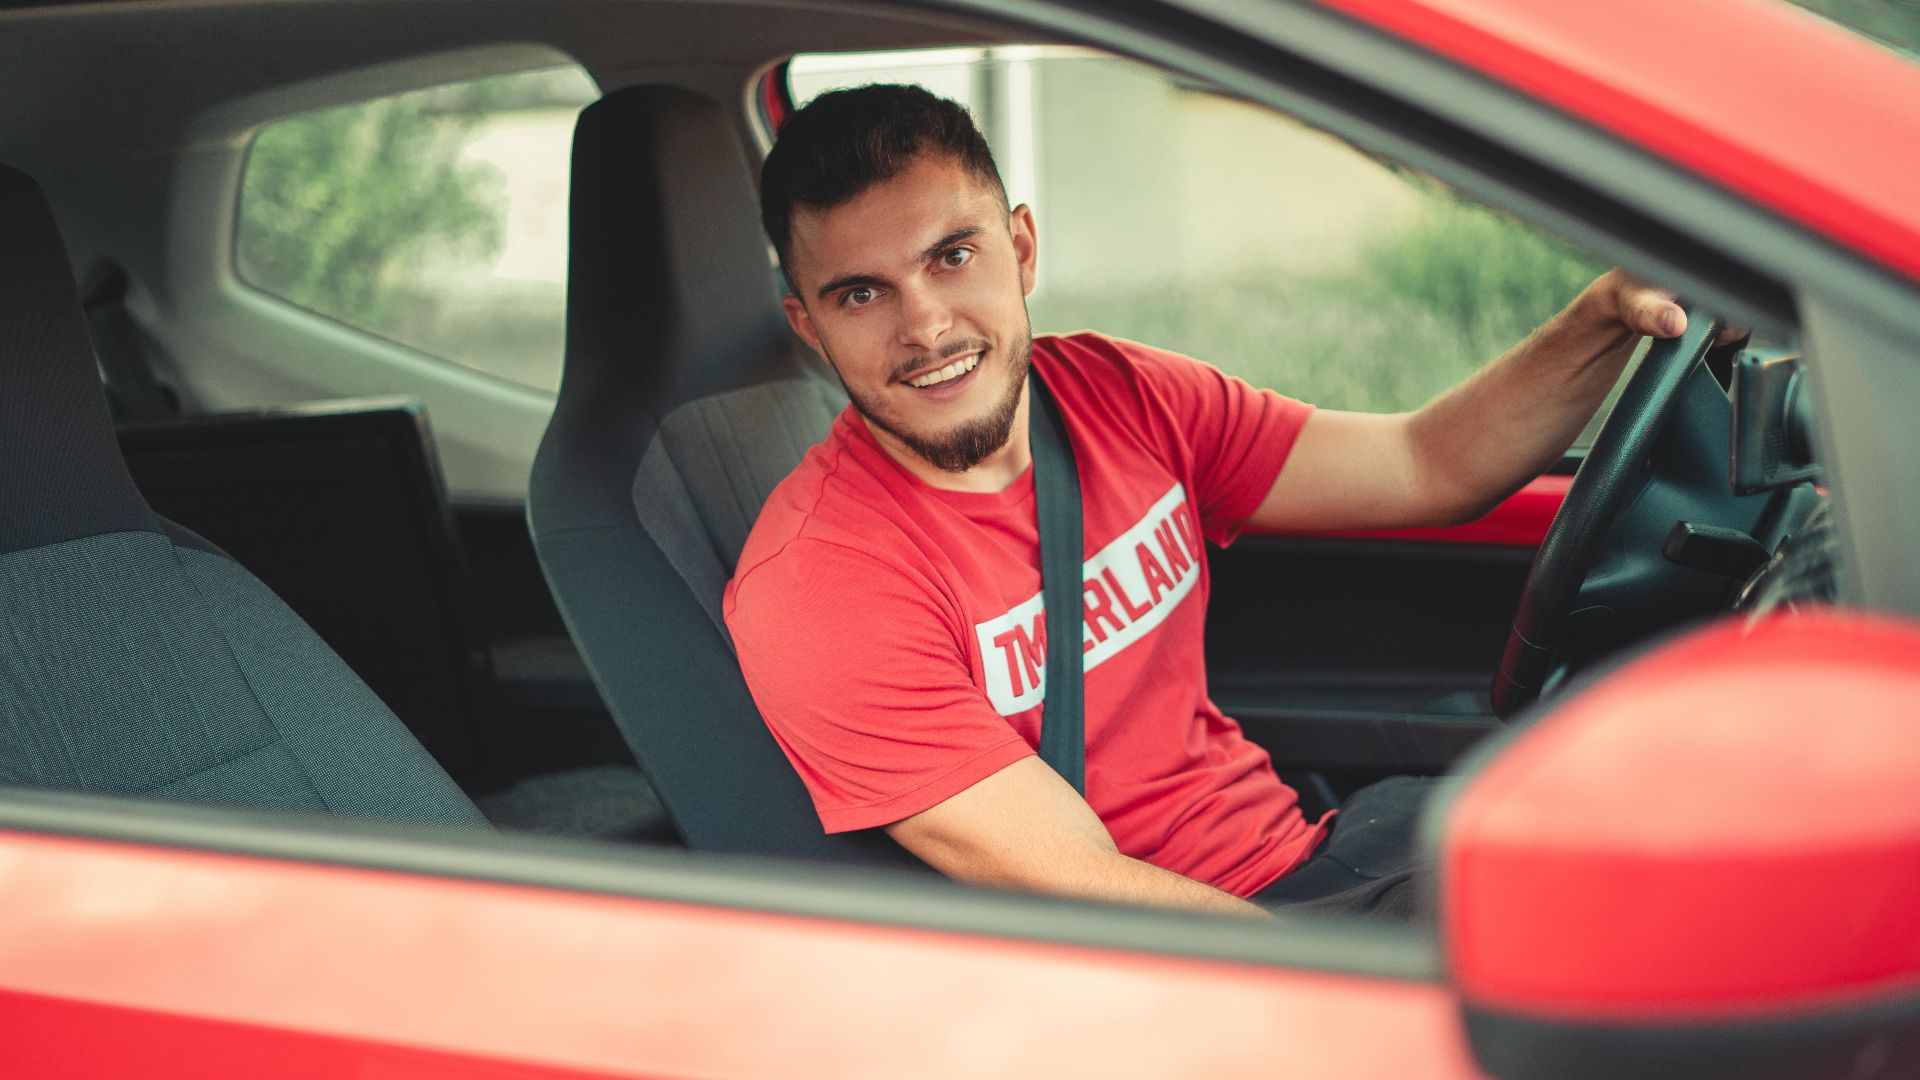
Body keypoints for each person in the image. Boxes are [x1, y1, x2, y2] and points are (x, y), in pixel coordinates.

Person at [723, 84, 1708, 919]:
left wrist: (1601, 319)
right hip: (1216, 950)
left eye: (952, 255)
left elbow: (1426, 463)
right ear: (809, 326)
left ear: (1020, 248)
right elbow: (1086, 891)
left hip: (1320, 852)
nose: (927, 325)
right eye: (863, 294)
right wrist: (1349, 994)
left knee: (1681, 832)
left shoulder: (1117, 394)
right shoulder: (818, 587)